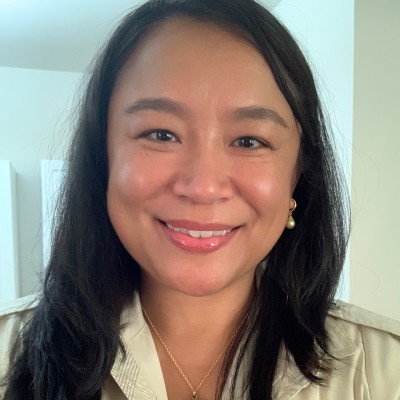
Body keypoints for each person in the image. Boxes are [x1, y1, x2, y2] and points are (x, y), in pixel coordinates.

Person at [1, 0, 400, 399]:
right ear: (102, 158)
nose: (204, 187)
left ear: (296, 176)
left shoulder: (382, 372)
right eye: (160, 134)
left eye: (249, 141)